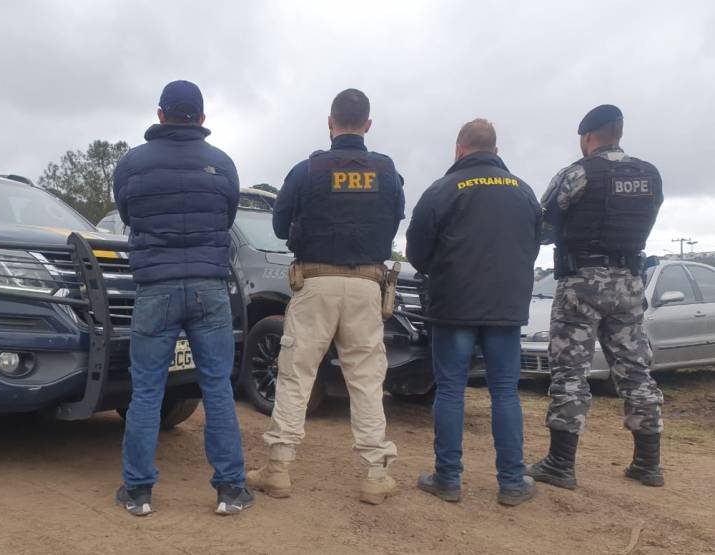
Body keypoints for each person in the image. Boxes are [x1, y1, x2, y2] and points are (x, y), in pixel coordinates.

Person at [247, 89, 405, 505]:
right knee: (366, 378)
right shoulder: (388, 172)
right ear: (368, 125)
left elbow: (280, 227)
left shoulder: (307, 170)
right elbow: (392, 224)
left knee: (296, 373)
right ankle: (375, 473)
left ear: (330, 123)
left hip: (315, 281)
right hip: (368, 284)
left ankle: (278, 469)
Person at [113, 80, 253, 516]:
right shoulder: (222, 164)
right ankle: (230, 490)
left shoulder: (132, 164)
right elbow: (226, 218)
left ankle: (138, 492)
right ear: (202, 118)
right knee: (217, 389)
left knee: (146, 391)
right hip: (208, 289)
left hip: (155, 287)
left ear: (160, 115)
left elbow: (128, 215)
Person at [527, 105, 665, 489]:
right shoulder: (650, 174)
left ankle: (560, 463)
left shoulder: (578, 173)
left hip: (582, 283)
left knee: (570, 371)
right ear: (618, 132)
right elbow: (648, 218)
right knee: (635, 370)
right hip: (630, 283)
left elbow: (542, 226)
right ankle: (648, 463)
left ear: (587, 137)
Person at [406, 119, 541, 506]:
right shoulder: (524, 191)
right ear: (496, 151)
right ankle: (512, 482)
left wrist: (444, 271)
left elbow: (417, 252)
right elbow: (533, 246)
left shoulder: (441, 190)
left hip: (454, 306)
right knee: (505, 391)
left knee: (450, 388)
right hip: (505, 307)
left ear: (458, 149)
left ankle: (447, 478)